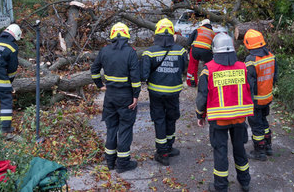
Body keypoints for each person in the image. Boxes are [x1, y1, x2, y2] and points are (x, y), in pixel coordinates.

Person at [196, 33, 254, 192]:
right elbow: (251, 90)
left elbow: (202, 96)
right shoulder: (244, 67)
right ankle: (245, 182)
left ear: (215, 50)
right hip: (240, 119)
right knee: (240, 150)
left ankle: (221, 186)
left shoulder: (208, 70)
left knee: (220, 152)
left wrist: (200, 115)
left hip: (219, 120)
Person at [90, 22, 141, 173]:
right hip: (126, 97)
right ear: (126, 35)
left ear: (112, 35)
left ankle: (110, 162)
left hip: (110, 96)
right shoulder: (130, 52)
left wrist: (100, 85)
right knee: (125, 129)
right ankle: (123, 164)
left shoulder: (104, 51)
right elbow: (135, 78)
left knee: (111, 128)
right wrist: (136, 96)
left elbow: (94, 70)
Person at [141, 18, 188, 166]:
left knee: (159, 120)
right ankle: (169, 146)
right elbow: (184, 68)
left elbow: (144, 75)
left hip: (156, 93)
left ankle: (163, 152)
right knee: (171, 118)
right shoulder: (180, 50)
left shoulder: (149, 52)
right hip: (174, 92)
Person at [243, 29, 278, 160]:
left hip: (256, 100)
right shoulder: (271, 56)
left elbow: (249, 84)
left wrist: (248, 101)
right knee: (264, 121)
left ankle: (260, 151)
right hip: (267, 97)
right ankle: (268, 146)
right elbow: (275, 77)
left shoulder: (251, 60)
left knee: (256, 125)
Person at [186, 19, 215, 87]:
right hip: (207, 52)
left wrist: (188, 49)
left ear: (202, 24)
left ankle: (192, 82)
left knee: (193, 66)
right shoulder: (213, 33)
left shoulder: (198, 29)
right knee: (209, 67)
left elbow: (188, 42)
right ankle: (208, 83)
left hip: (195, 50)